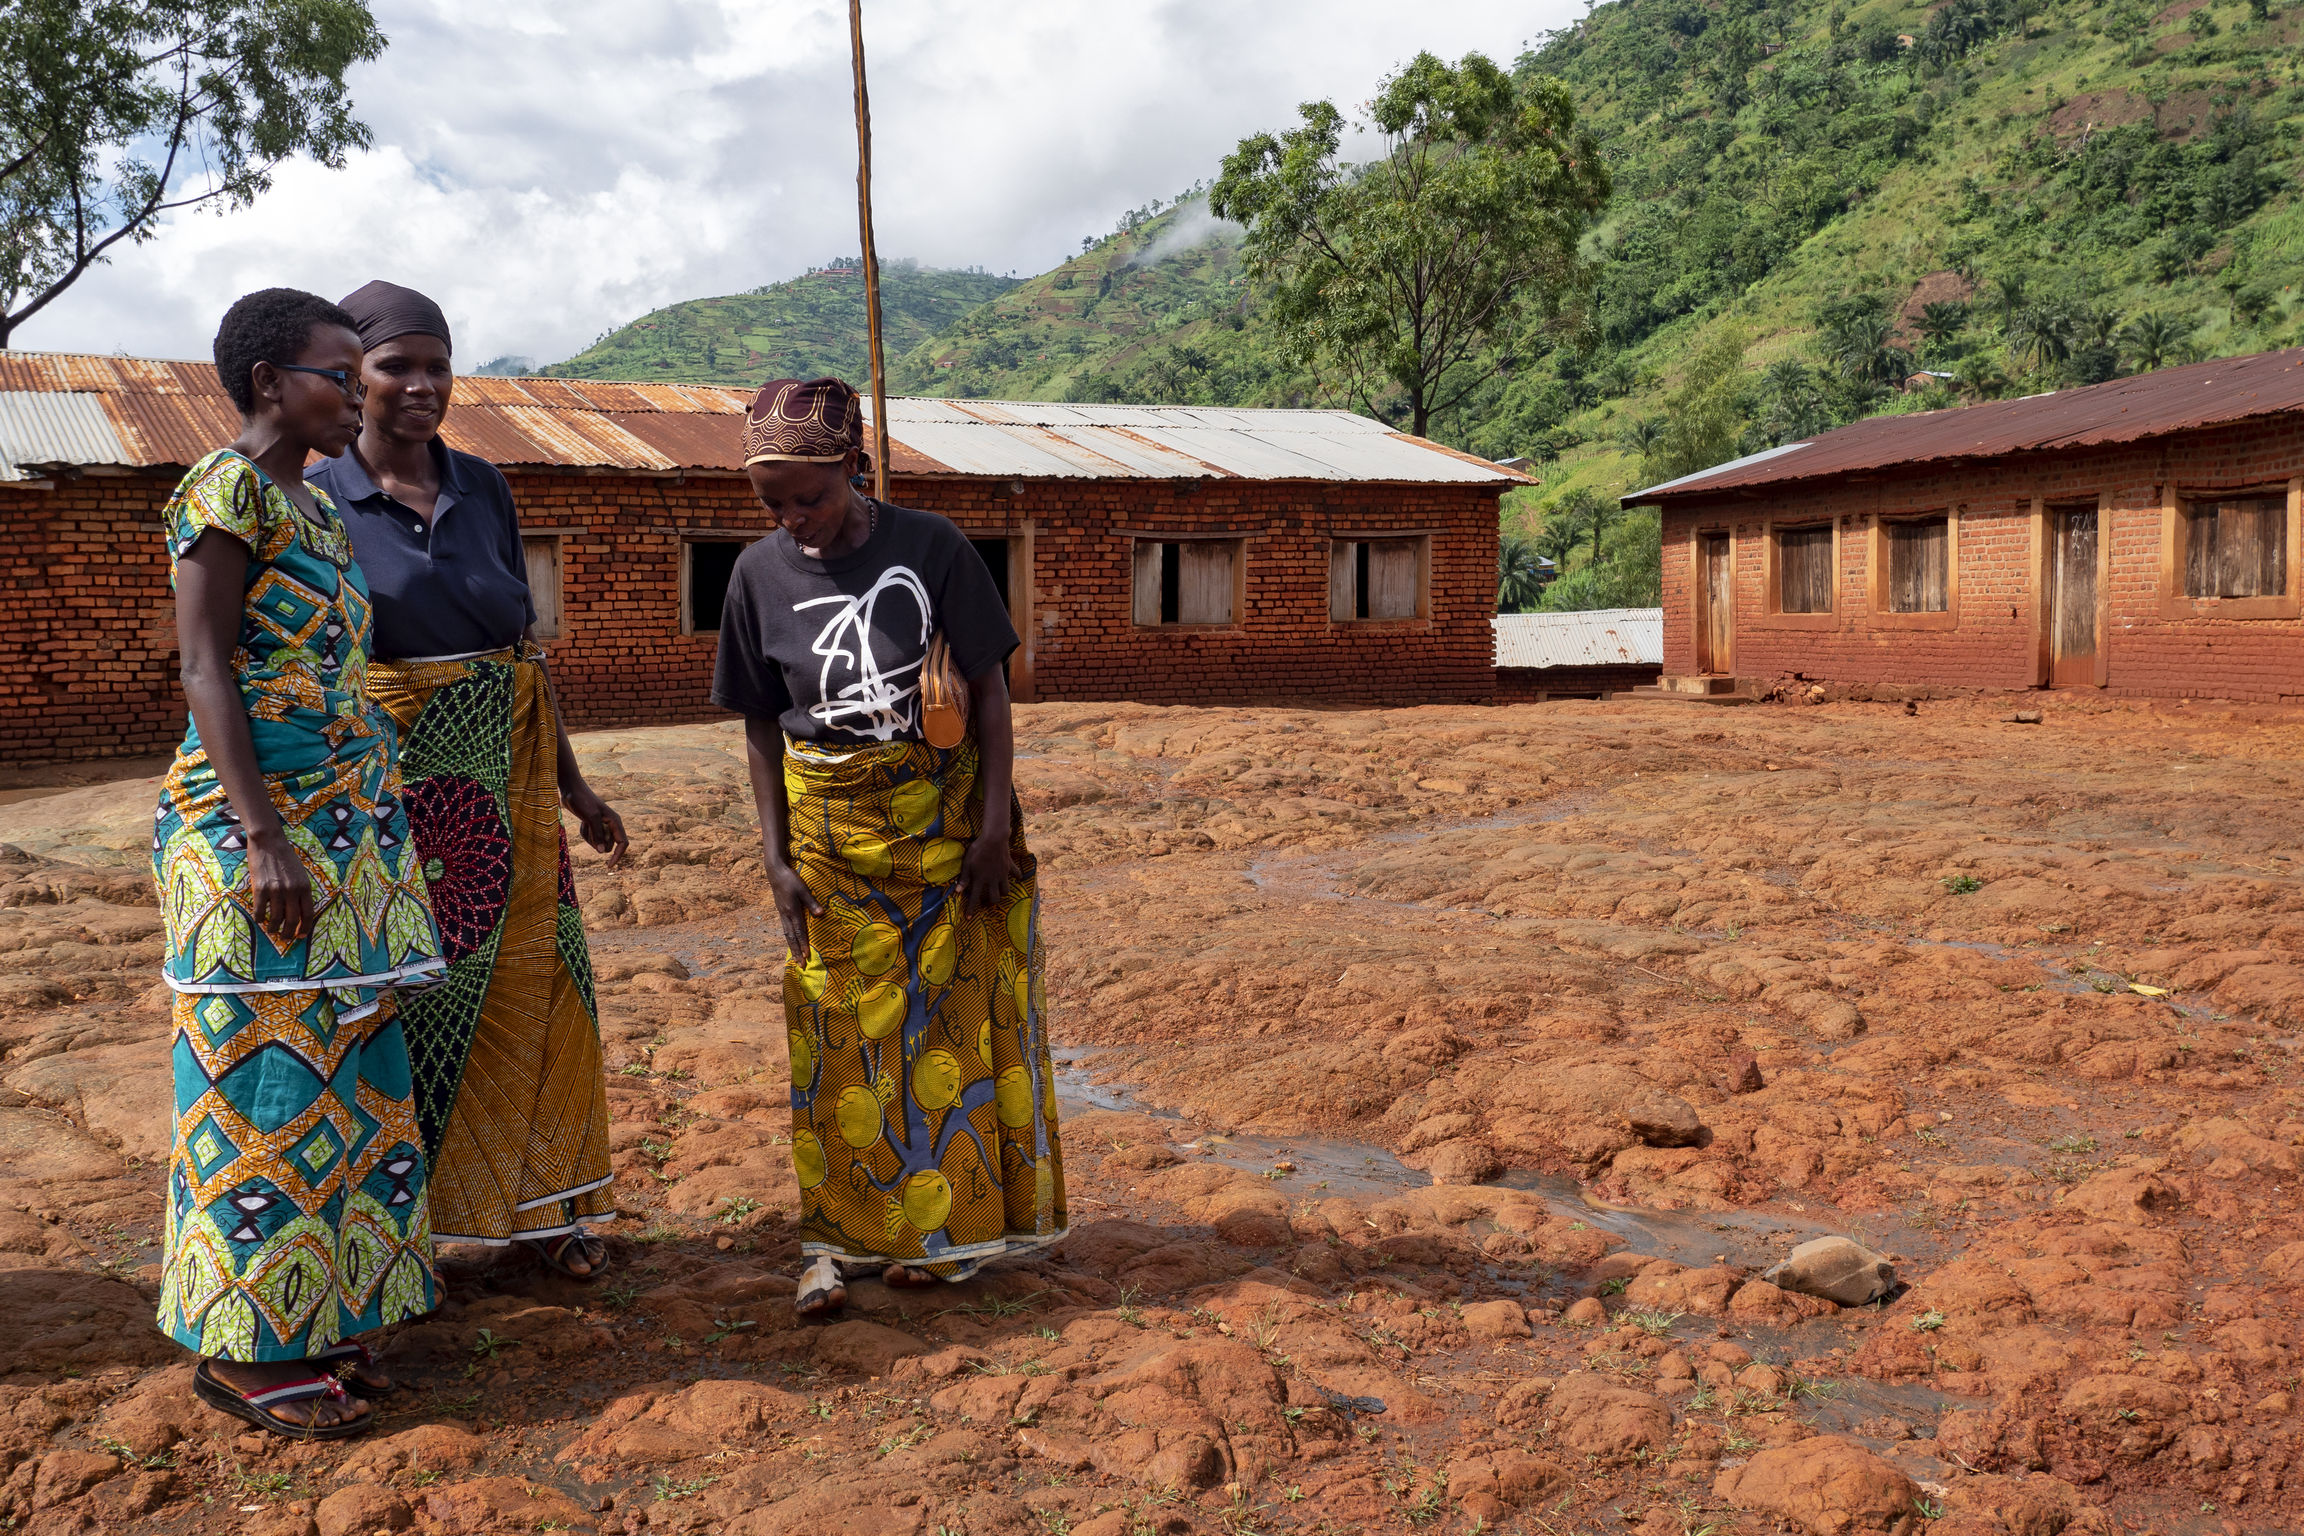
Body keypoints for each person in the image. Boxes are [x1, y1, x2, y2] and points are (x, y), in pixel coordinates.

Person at [156, 288, 447, 1439]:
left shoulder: (315, 509)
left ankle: (322, 1314)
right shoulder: (221, 492)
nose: (358, 390)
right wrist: (263, 834)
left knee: (350, 1075)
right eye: (340, 371)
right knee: (259, 1083)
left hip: (349, 834)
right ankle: (244, 1348)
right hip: (258, 836)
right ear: (272, 381)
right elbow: (205, 671)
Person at [712, 377, 1066, 1317]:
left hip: (945, 829)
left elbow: (989, 693)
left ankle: (950, 1237)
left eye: (811, 496)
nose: (795, 520)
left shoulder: (934, 547)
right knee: (839, 1037)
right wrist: (776, 860)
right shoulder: (757, 574)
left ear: (856, 468)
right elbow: (757, 723)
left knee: (947, 1033)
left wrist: (992, 831)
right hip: (828, 833)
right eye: (774, 503)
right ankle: (843, 1237)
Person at [307, 281, 629, 1281]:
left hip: (515, 789)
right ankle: (408, 1229)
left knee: (546, 989)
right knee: (413, 1006)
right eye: (396, 364)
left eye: (437, 364)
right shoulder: (315, 503)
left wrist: (577, 789)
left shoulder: (483, 485)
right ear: (350, 378)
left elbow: (521, 649)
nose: (422, 384)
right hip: (394, 795)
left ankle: (546, 1217)